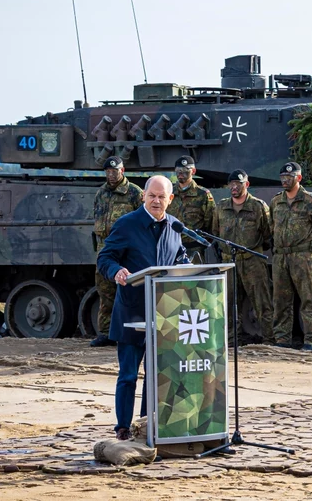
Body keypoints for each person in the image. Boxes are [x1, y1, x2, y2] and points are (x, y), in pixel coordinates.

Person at [96, 175, 190, 441]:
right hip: (131, 312)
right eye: (152, 196)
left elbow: (180, 257)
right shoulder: (127, 224)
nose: (157, 201)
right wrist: (116, 271)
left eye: (162, 197)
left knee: (155, 374)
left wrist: (187, 268)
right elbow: (105, 258)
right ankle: (123, 429)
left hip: (164, 313)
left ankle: (148, 426)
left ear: (170, 200)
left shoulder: (175, 227)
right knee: (128, 375)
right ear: (143, 196)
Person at [270, 162, 312, 351]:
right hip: (281, 257)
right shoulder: (276, 201)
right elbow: (272, 227)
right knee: (281, 300)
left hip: (303, 255)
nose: (285, 181)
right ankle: (282, 339)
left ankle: (311, 340)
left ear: (299, 178)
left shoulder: (310, 201)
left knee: (308, 299)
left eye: (290, 177)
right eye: (283, 178)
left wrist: (310, 248)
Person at [211, 169, 274, 344]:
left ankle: (269, 339)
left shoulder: (258, 206)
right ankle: (231, 339)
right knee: (228, 302)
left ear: (246, 185)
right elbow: (215, 231)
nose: (234, 188)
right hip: (228, 261)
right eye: (231, 184)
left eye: (238, 184)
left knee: (262, 302)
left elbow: (267, 234)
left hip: (252, 261)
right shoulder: (221, 207)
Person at [90, 156, 143, 347]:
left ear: (123, 170)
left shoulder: (134, 193)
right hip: (105, 247)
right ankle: (105, 333)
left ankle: (128, 331)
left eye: (115, 171)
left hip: (126, 249)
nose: (111, 175)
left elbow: (142, 220)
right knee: (105, 291)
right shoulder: (101, 193)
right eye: (108, 172)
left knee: (129, 291)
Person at [166, 155, 216, 263]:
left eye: (185, 171)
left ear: (193, 171)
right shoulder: (169, 193)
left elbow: (211, 223)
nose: (181, 174)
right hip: (171, 248)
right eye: (178, 171)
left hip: (194, 250)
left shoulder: (203, 195)